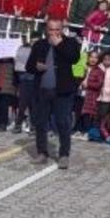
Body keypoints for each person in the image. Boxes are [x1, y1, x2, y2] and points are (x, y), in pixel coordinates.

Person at [25, 18, 81, 168]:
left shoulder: (70, 42)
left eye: (57, 29)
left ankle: (64, 155)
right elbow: (28, 66)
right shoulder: (39, 44)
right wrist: (36, 67)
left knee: (63, 122)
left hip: (62, 91)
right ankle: (42, 152)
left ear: (62, 29)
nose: (54, 33)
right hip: (42, 90)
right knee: (41, 122)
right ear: (46, 30)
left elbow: (74, 59)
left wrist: (59, 44)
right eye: (51, 29)